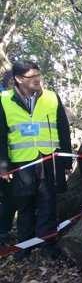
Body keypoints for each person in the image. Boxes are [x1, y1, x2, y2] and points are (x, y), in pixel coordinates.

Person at [0, 60, 72, 260]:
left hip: (49, 160)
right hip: (21, 163)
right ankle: (24, 246)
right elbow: (1, 136)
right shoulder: (4, 100)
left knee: (48, 203)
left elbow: (63, 130)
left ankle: (47, 245)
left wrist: (66, 161)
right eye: (32, 77)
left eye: (39, 75)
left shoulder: (51, 98)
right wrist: (3, 166)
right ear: (18, 79)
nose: (37, 80)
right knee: (25, 206)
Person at [0, 70, 16, 244]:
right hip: (5, 159)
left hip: (13, 158)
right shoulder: (4, 101)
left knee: (10, 197)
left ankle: (3, 231)